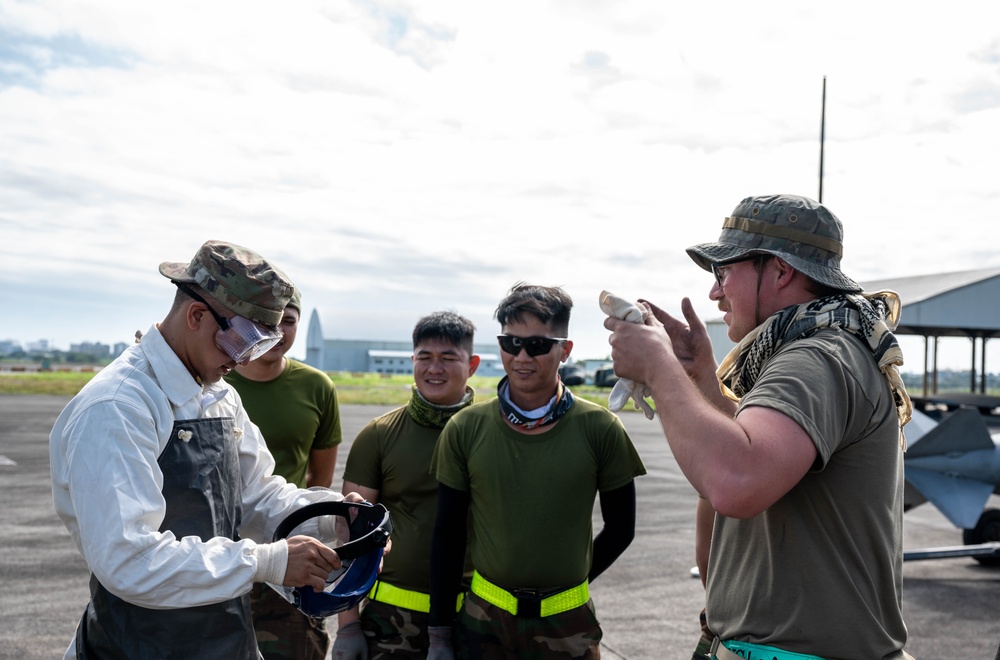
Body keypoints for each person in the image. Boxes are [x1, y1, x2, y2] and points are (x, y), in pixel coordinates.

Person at [604, 194, 913, 659]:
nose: (714, 291)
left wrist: (658, 368)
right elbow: (761, 453)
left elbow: (738, 482)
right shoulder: (821, 348)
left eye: (724, 271)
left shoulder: (816, 358)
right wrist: (698, 379)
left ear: (781, 271)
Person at [50, 240, 362, 659]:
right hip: (137, 643)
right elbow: (128, 558)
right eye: (244, 341)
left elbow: (256, 497)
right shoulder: (119, 406)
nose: (245, 359)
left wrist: (332, 517)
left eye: (261, 345)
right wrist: (267, 562)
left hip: (224, 637)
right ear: (197, 315)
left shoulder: (217, 396)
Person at [428, 283, 647, 659]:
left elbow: (621, 528)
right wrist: (439, 635)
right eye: (511, 343)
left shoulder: (601, 428)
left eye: (538, 345)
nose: (522, 356)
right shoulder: (465, 428)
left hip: (569, 627)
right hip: (483, 625)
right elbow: (447, 535)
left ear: (565, 350)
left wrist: (568, 583)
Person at [333, 311, 481, 659]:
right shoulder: (380, 434)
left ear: (472, 364)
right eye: (425, 358)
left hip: (475, 619)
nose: (434, 369)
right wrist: (348, 625)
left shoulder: (490, 434)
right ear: (412, 360)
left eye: (448, 358)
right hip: (389, 622)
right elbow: (349, 534)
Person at [225, 286, 344, 660]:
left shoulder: (316, 387)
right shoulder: (216, 382)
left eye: (287, 321)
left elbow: (318, 482)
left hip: (288, 544)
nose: (276, 331)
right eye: (264, 321)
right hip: (220, 553)